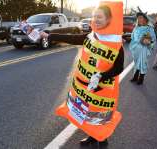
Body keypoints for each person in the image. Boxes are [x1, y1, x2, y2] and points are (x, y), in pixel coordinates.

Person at [52, 1, 124, 147]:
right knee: (87, 112)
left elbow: (118, 68)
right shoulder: (92, 36)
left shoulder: (116, 43)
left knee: (99, 115)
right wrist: (51, 35)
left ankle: (102, 140)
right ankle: (92, 136)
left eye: (100, 17)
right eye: (94, 16)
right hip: (86, 87)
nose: (96, 20)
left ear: (109, 20)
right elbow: (73, 39)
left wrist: (100, 76)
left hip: (103, 90)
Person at [129, 12, 156, 85]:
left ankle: (141, 79)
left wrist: (148, 42)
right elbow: (132, 37)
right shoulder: (136, 28)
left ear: (145, 19)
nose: (139, 19)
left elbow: (153, 39)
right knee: (136, 63)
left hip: (144, 49)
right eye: (138, 18)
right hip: (136, 49)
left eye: (141, 18)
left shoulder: (149, 28)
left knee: (142, 63)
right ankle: (135, 77)